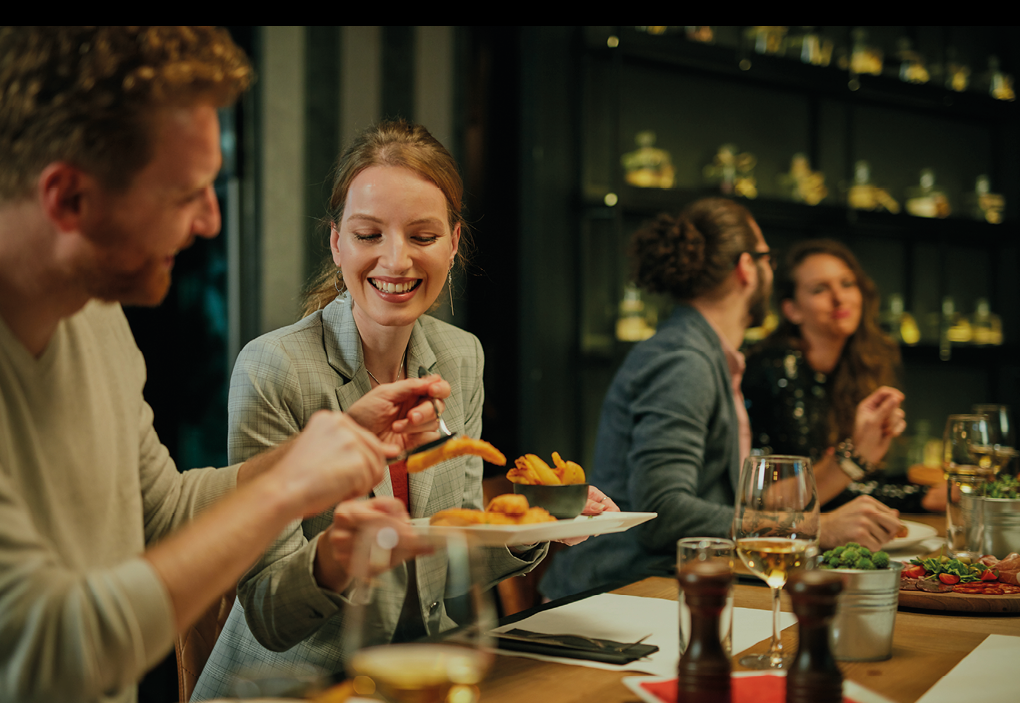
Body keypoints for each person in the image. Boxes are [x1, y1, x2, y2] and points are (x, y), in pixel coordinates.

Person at [0, 28, 446, 703]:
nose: (211, 220)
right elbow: (52, 646)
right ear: (68, 199)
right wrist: (287, 487)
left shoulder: (95, 316)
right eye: (186, 193)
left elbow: (162, 510)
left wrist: (325, 445)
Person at [194, 120, 604, 699]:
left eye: (422, 235)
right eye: (368, 234)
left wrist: (533, 525)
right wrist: (345, 554)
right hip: (291, 686)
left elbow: (451, 555)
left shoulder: (460, 357)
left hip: (418, 677)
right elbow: (267, 611)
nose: (396, 259)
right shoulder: (273, 368)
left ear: (454, 243)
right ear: (336, 242)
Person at [539, 199, 904, 601]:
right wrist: (817, 527)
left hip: (662, 583)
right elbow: (665, 512)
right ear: (747, 267)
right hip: (623, 592)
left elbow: (728, 503)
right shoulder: (686, 360)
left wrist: (852, 460)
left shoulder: (704, 352)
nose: (771, 270)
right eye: (768, 258)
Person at [743, 238, 936, 515]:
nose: (839, 298)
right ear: (791, 310)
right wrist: (919, 497)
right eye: (820, 289)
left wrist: (924, 493)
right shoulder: (779, 366)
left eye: (847, 284)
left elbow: (850, 482)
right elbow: (802, 493)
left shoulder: (857, 366)